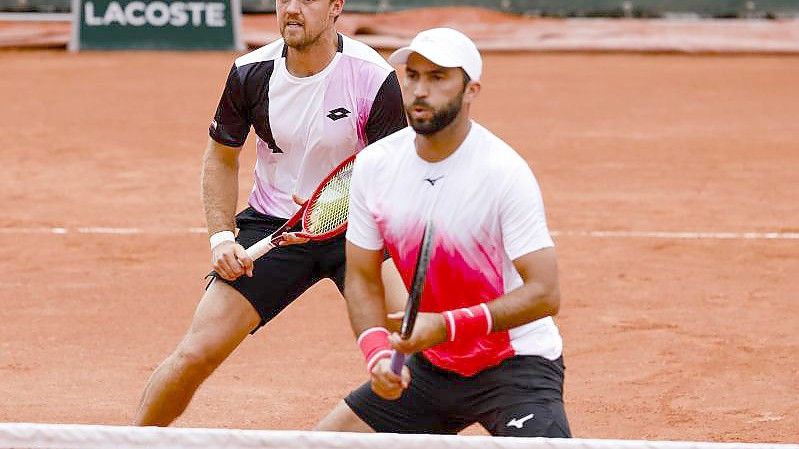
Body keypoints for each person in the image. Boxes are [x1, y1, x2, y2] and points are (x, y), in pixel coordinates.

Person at [133, 0, 407, 426]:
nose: (291, 9)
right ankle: (136, 439)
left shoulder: (373, 77)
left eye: (306, 0)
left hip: (358, 227)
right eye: (283, 0)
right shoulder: (250, 72)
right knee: (195, 353)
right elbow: (221, 158)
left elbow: (395, 174)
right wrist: (222, 238)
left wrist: (342, 214)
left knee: (412, 352)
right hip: (271, 223)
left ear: (336, 7)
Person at [315, 28, 572, 437]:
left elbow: (545, 292)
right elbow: (362, 276)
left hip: (514, 365)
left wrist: (446, 326)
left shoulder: (503, 172)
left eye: (437, 78)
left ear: (471, 90)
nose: (419, 89)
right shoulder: (375, 165)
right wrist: (378, 354)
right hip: (430, 368)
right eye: (412, 75)